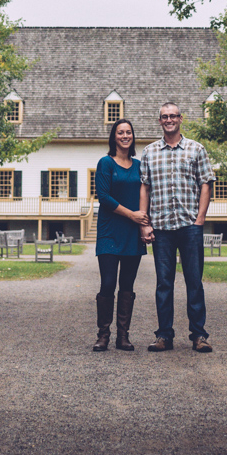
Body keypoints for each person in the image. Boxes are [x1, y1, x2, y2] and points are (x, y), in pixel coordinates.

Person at [139, 101, 215, 353]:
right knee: (164, 283)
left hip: (189, 226)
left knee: (194, 281)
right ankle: (164, 335)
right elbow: (145, 188)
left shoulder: (196, 149)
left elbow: (206, 183)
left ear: (181, 119)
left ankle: (199, 335)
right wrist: (145, 223)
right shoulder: (149, 152)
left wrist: (200, 219)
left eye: (173, 116)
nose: (169, 120)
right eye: (164, 117)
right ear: (159, 121)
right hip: (161, 228)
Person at [92, 118, 148, 351]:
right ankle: (103, 335)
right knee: (107, 284)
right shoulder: (106, 163)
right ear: (114, 137)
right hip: (109, 232)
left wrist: (143, 220)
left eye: (128, 132)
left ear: (132, 137)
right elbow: (103, 197)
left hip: (132, 234)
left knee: (127, 284)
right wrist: (131, 215)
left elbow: (146, 194)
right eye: (120, 132)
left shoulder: (139, 166)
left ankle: (122, 336)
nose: (125, 136)